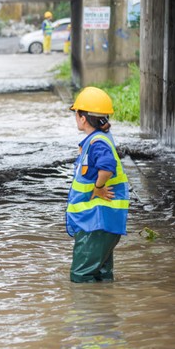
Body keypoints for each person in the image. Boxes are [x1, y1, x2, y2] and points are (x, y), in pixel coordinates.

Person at [66, 86, 130, 283]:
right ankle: (104, 309)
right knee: (102, 275)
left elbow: (107, 167)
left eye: (76, 113)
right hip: (102, 222)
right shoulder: (98, 139)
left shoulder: (97, 143)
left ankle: (89, 312)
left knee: (81, 276)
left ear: (82, 117)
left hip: (95, 222)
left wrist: (99, 188)